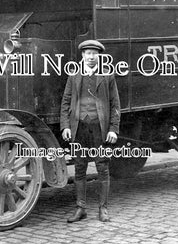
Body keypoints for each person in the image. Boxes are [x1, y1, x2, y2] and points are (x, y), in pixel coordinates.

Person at [60, 39, 121, 223]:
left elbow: (115, 104)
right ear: (83, 56)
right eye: (88, 54)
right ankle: (81, 209)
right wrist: (65, 126)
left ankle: (103, 209)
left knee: (102, 168)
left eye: (95, 54)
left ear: (99, 56)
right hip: (79, 128)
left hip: (99, 128)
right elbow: (65, 103)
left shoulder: (107, 76)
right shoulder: (74, 77)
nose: (91, 57)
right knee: (79, 168)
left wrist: (113, 129)